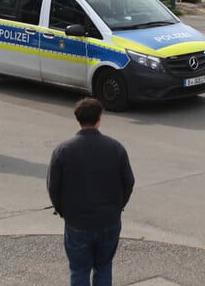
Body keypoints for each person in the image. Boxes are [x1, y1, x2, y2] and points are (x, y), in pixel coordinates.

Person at [47, 97, 134, 286]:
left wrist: (63, 211)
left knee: (79, 270)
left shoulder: (63, 150)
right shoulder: (115, 148)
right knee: (104, 267)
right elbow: (128, 182)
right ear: (99, 119)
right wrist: (118, 206)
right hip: (109, 220)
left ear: (77, 119)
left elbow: (54, 187)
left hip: (77, 221)